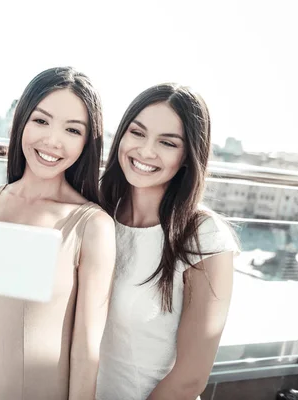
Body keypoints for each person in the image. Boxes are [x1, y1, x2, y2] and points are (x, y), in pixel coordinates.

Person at [0, 67, 116, 400]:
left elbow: (86, 351)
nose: (52, 141)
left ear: (87, 142)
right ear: (21, 121)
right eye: (41, 121)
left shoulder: (92, 226)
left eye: (72, 130)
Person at [96, 83, 239, 400]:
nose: (146, 151)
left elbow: (191, 378)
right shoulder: (98, 214)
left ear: (188, 156)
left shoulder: (204, 236)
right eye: (137, 133)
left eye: (167, 143)